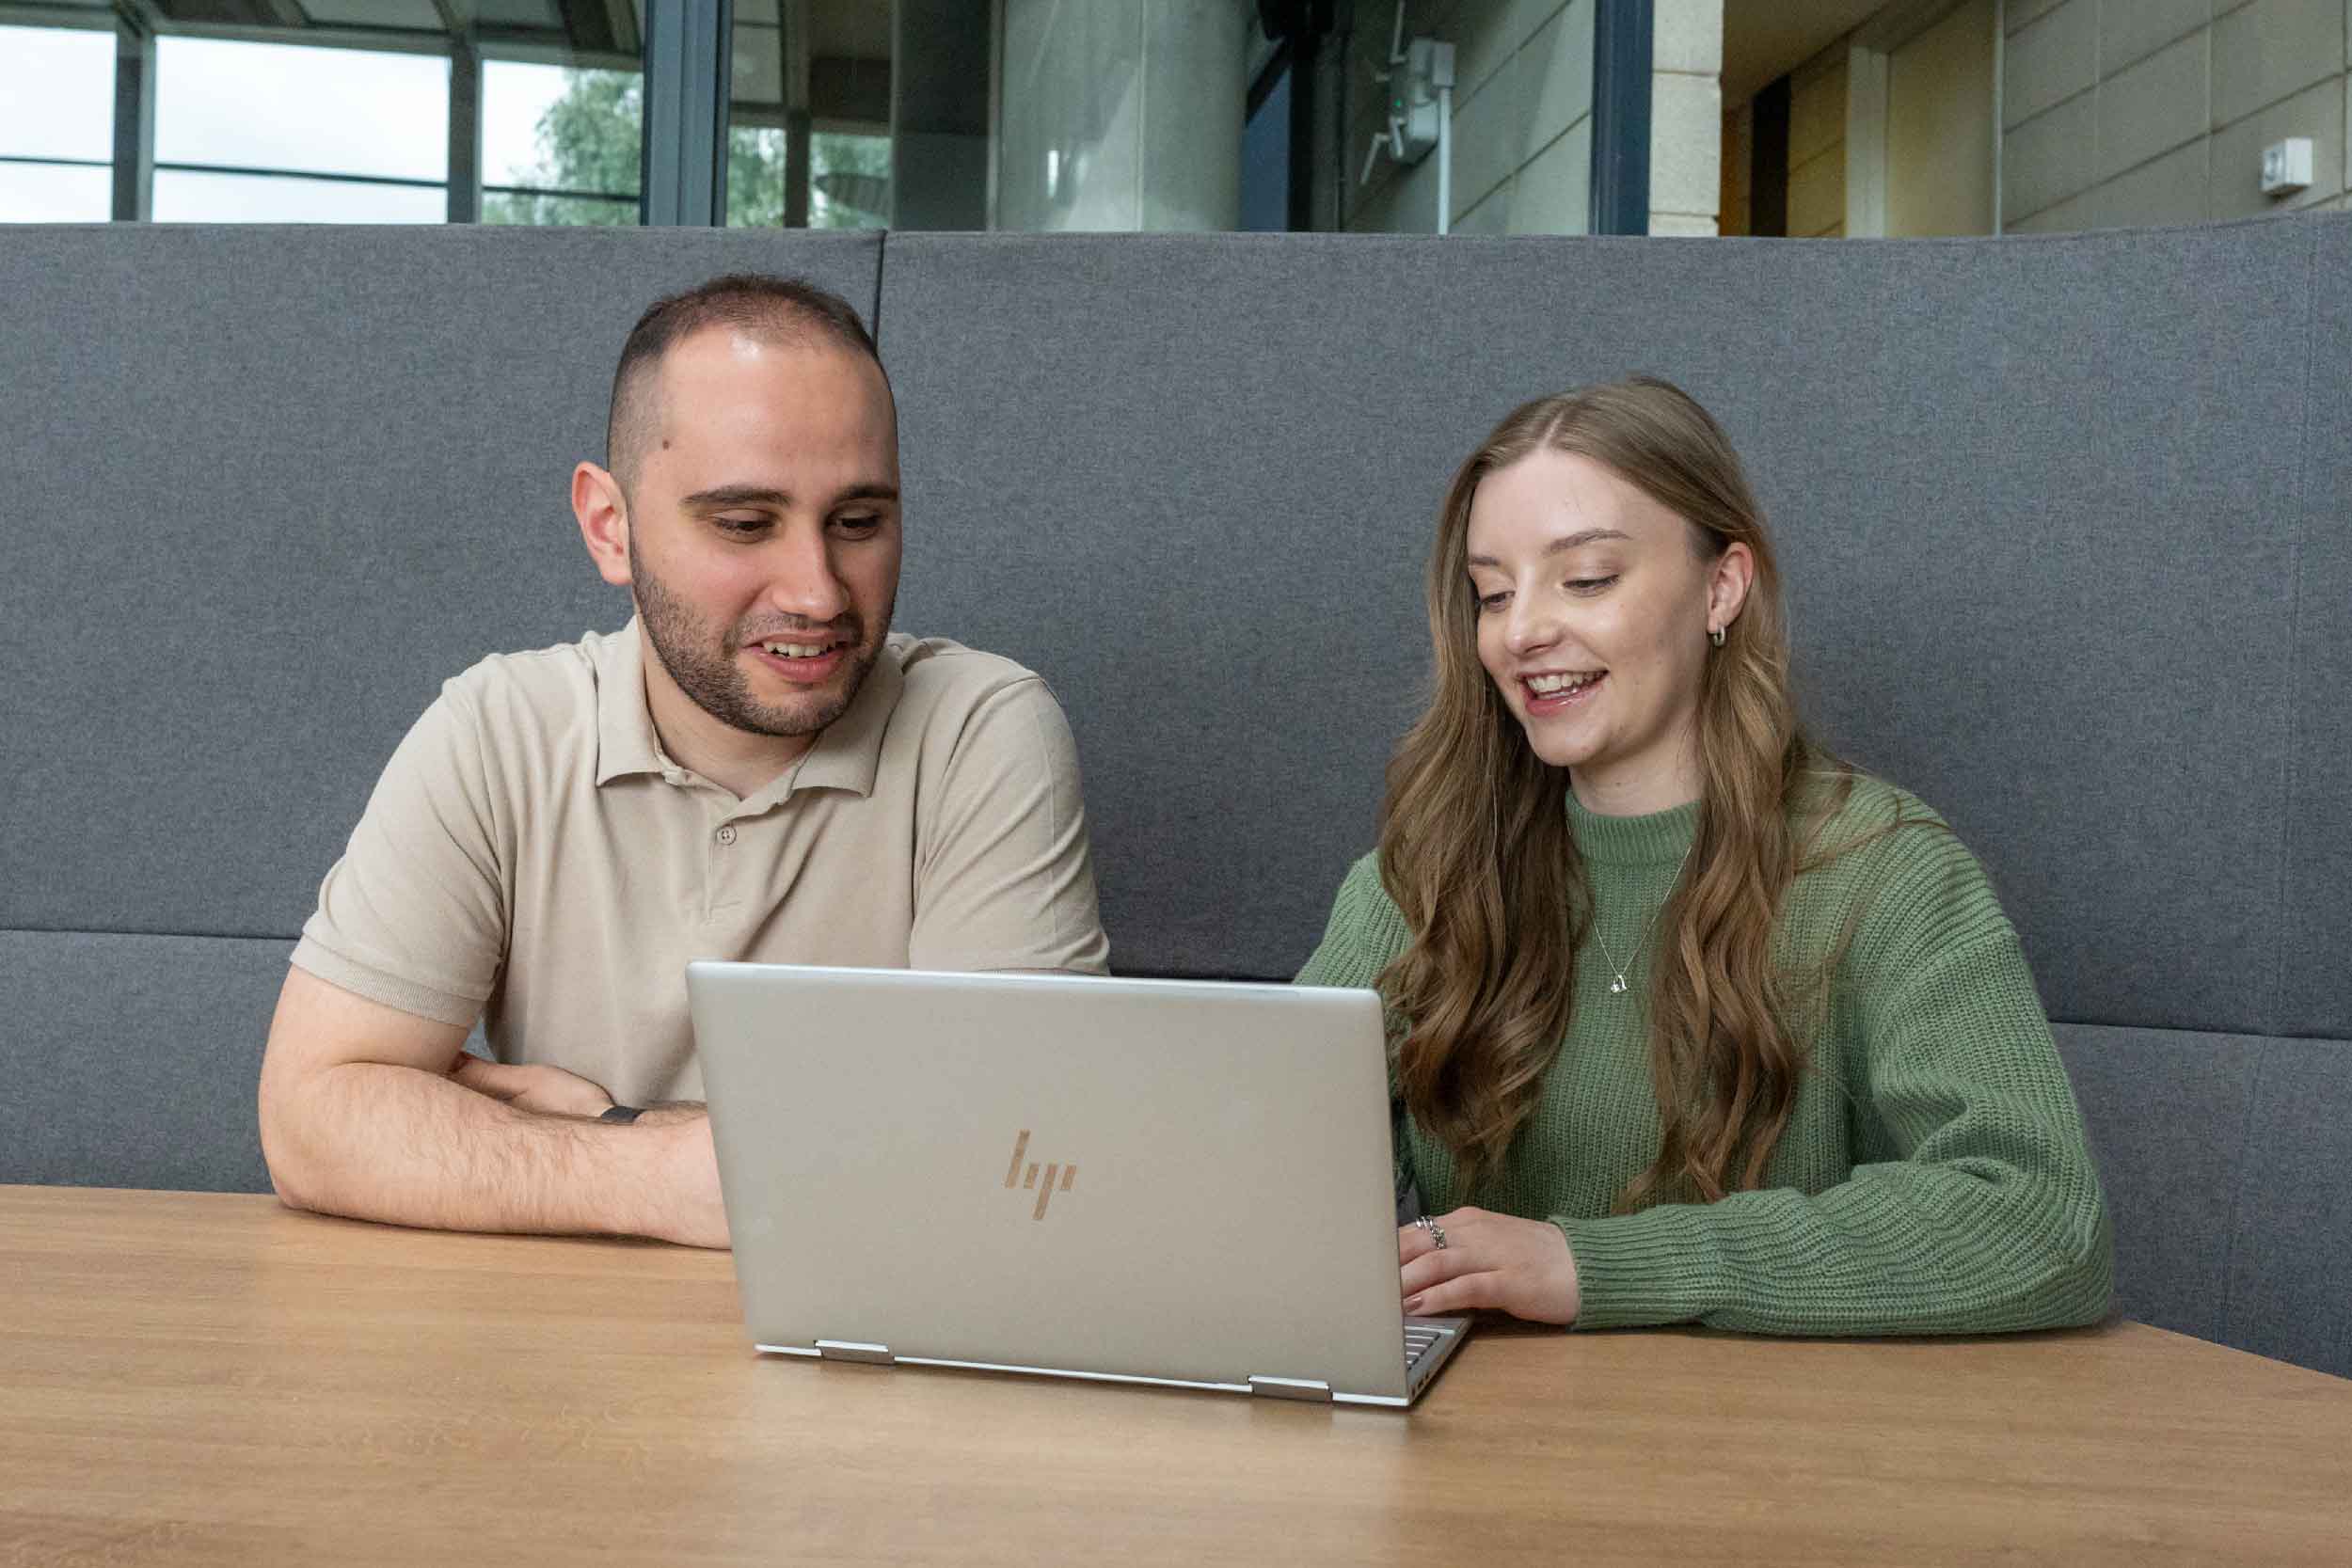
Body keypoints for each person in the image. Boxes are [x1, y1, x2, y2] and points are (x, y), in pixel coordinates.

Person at [258, 275, 1109, 1249]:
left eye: (859, 521)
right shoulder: (498, 729)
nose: (818, 591)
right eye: (745, 524)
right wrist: (667, 1175)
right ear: (609, 527)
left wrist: (601, 1127)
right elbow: (310, 1123)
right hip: (553, 1363)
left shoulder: (980, 730)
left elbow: (1023, 1161)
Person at [1296, 377, 2112, 1334]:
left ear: (1720, 586)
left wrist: (1588, 1264)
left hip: (1768, 1457)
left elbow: (2037, 1214)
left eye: (1587, 577)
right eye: (1492, 593)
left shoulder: (1886, 870)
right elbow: (1252, 1145)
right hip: (1472, 1449)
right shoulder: (1418, 877)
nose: (1521, 632)